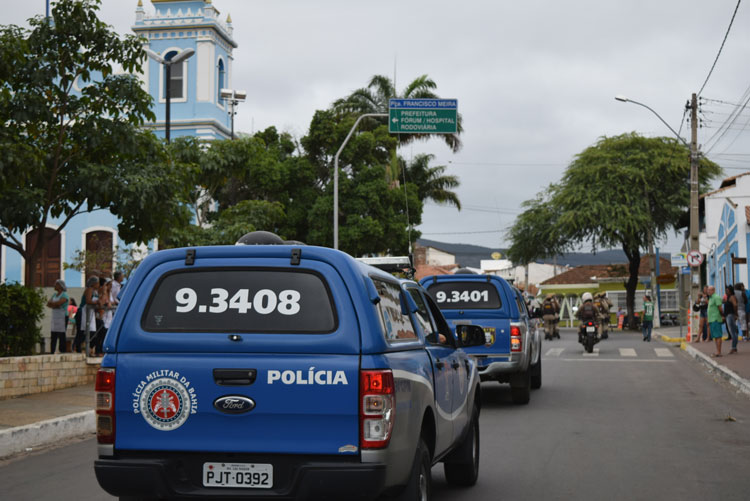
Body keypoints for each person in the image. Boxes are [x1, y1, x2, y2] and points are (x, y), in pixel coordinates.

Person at [74, 276, 100, 353]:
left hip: (90, 313)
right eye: (97, 283)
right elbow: (88, 301)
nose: (98, 284)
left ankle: (87, 347)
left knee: (91, 331)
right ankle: (76, 347)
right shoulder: (89, 290)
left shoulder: (95, 292)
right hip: (83, 312)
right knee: (81, 331)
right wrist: (96, 302)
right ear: (94, 283)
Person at [47, 279, 69, 354]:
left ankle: (62, 350)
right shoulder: (54, 295)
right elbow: (48, 304)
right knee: (53, 334)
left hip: (62, 317)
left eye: (56, 284)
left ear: (60, 286)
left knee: (61, 334)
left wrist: (54, 304)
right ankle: (52, 350)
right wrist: (54, 304)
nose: (54, 285)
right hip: (55, 317)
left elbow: (59, 303)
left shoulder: (64, 295)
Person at [707, 285, 724, 357]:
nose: (708, 291)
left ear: (713, 290)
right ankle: (717, 351)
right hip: (712, 319)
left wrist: (722, 316)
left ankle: (719, 352)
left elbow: (720, 308)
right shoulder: (711, 298)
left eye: (710, 290)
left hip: (716, 319)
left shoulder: (716, 297)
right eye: (708, 290)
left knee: (718, 336)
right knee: (715, 336)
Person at [725, 285, 739, 354]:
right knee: (733, 331)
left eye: (727, 290)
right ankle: (734, 347)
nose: (726, 291)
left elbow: (735, 305)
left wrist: (735, 314)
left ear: (730, 291)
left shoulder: (732, 297)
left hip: (730, 315)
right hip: (729, 315)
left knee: (732, 332)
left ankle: (733, 347)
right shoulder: (728, 297)